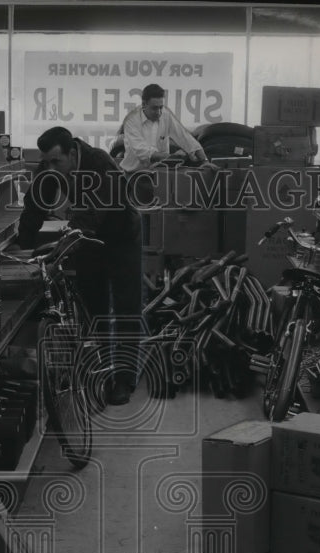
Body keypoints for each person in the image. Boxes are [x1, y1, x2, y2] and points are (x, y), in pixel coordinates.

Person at [18, 126, 142, 406]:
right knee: (93, 305)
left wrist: (63, 246)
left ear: (73, 154)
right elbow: (35, 204)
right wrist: (24, 243)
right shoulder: (51, 166)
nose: (50, 168)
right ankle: (101, 367)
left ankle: (123, 379)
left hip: (121, 238)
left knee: (125, 307)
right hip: (88, 238)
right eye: (46, 162)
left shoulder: (100, 164)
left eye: (56, 162)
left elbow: (92, 213)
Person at [118, 83, 209, 173]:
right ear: (144, 104)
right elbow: (143, 152)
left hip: (160, 172)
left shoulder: (165, 115)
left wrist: (205, 161)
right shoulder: (131, 121)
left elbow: (185, 137)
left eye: (161, 107)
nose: (159, 112)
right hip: (135, 174)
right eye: (154, 108)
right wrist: (173, 157)